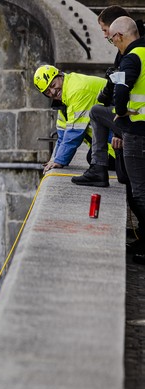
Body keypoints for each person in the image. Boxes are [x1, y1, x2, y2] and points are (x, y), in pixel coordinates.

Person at [72, 6, 144, 187]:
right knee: (126, 180)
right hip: (136, 123)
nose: (105, 36)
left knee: (138, 191)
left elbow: (120, 88)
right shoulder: (137, 47)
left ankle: (98, 169)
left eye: (106, 31)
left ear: (117, 32)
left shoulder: (130, 54)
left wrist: (121, 122)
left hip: (136, 125)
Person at [107, 16, 145, 252]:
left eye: (112, 41)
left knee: (138, 191)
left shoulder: (132, 58)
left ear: (119, 36)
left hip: (137, 131)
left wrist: (120, 113)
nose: (115, 46)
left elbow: (121, 90)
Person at [34, 65, 110, 176]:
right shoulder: (64, 97)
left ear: (60, 75)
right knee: (93, 158)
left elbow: (74, 133)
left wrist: (59, 161)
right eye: (47, 92)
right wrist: (54, 159)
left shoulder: (76, 91)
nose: (53, 92)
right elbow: (62, 134)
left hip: (120, 135)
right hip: (111, 132)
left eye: (53, 85)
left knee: (98, 161)